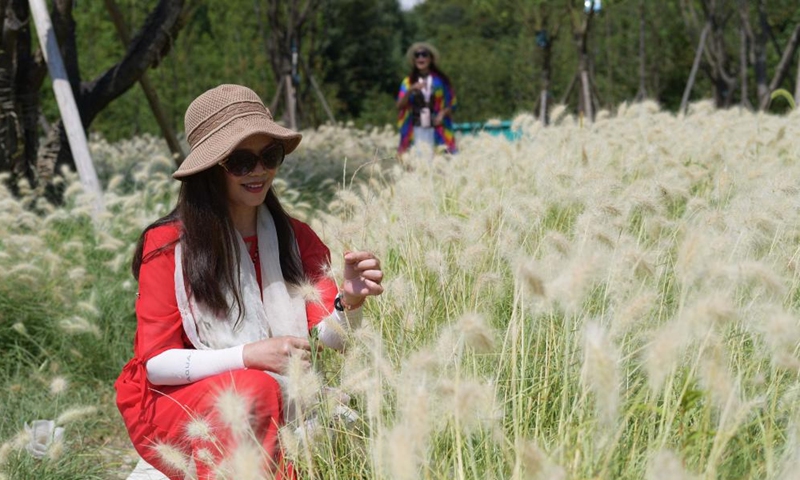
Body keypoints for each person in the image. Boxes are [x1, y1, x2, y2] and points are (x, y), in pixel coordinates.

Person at [114, 84, 384, 480]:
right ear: (210, 169)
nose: (259, 170)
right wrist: (247, 356)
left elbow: (326, 344)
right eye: (241, 161)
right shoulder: (169, 246)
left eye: (269, 156)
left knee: (269, 394)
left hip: (277, 393)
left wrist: (350, 304)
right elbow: (157, 365)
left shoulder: (296, 238)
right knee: (252, 390)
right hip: (191, 398)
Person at [396, 41, 458, 156]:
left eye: (424, 54)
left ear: (430, 59)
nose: (420, 58)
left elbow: (452, 104)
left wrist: (442, 114)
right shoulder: (408, 82)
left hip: (437, 128)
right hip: (414, 128)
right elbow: (399, 105)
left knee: (441, 160)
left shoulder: (441, 81)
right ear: (414, 60)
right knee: (415, 163)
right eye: (417, 55)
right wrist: (410, 90)